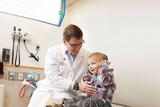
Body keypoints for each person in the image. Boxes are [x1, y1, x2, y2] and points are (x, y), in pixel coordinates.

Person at [28, 24, 97, 107]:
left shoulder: (87, 54)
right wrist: (76, 85)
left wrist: (101, 68)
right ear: (64, 41)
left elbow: (94, 72)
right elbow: (52, 77)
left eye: (80, 43)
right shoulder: (54, 51)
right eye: (74, 45)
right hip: (48, 89)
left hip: (69, 93)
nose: (78, 48)